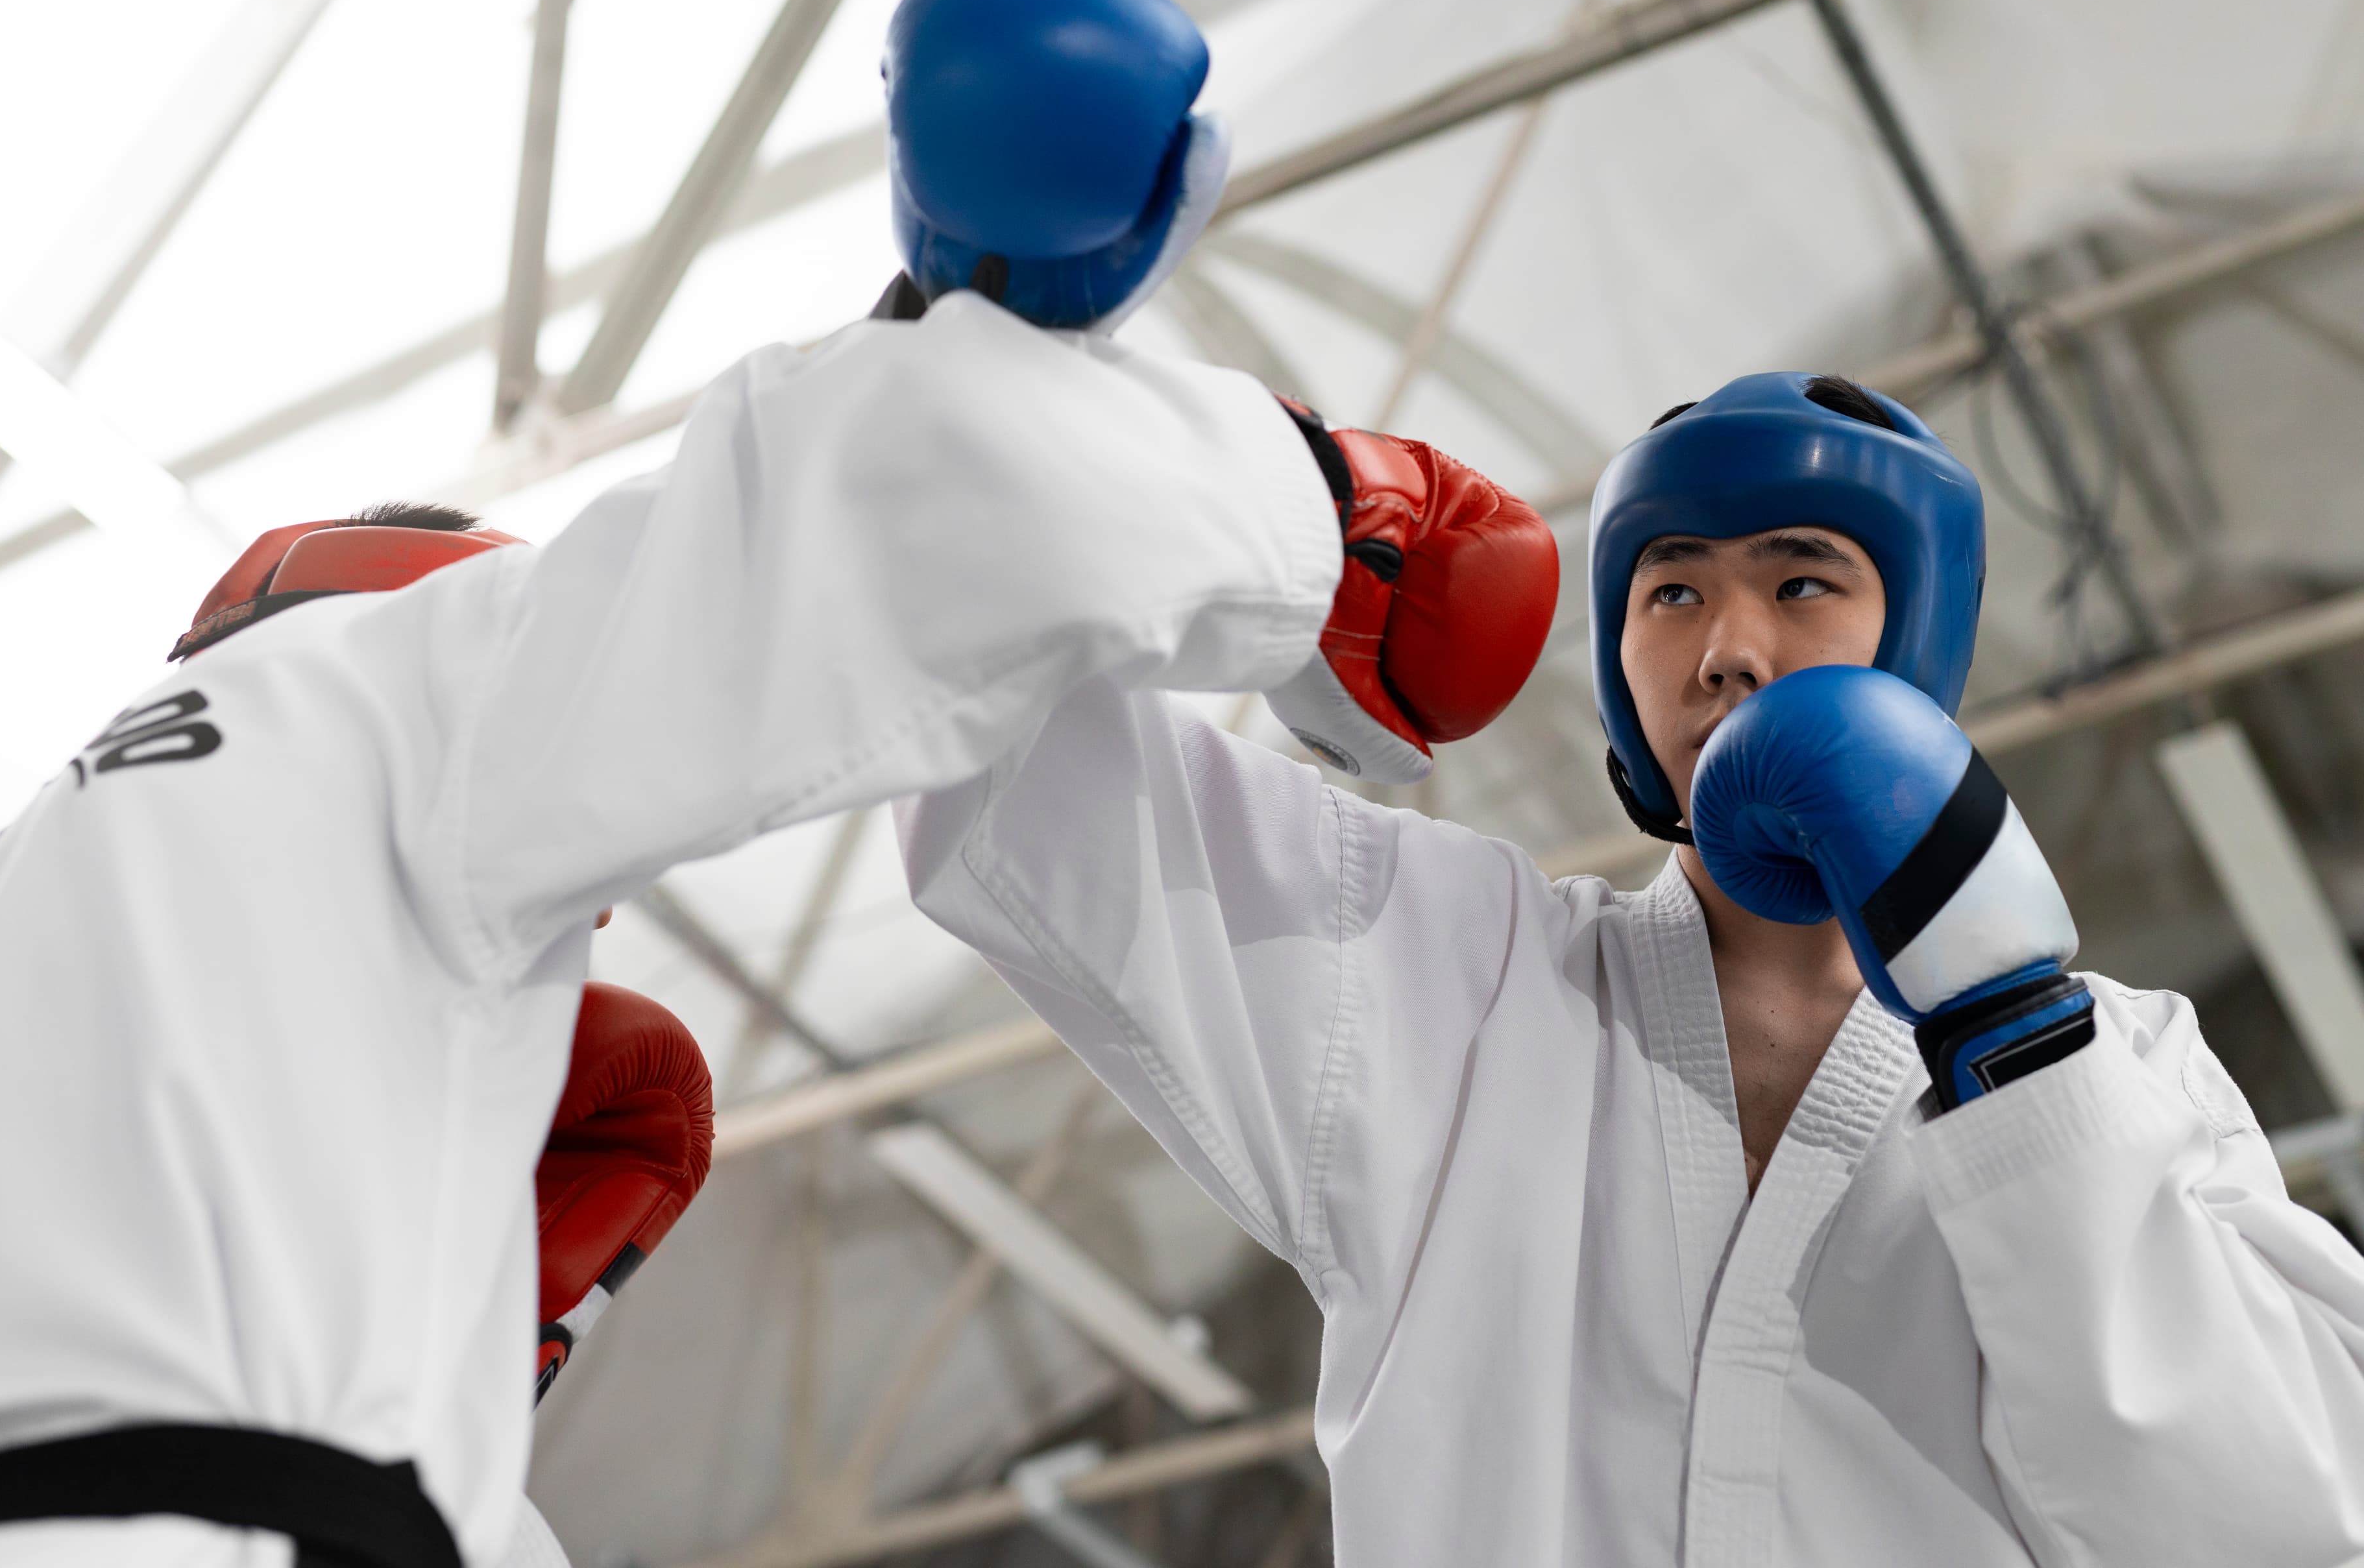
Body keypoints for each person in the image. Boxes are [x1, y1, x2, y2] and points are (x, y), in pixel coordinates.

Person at [0, 0, 1494, 1568]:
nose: (573, 930)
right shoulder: (364, 681)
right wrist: (1336, 525)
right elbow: (877, 499)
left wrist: (426, 1354)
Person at [900, 370, 2364, 1563]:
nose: (1727, 647)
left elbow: (2276, 1523)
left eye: (1803, 582)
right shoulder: (1438, 973)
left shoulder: (2126, 1064)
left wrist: (2013, 1034)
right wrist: (1271, 514)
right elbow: (1002, 756)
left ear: (1915, 643)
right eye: (1672, 592)